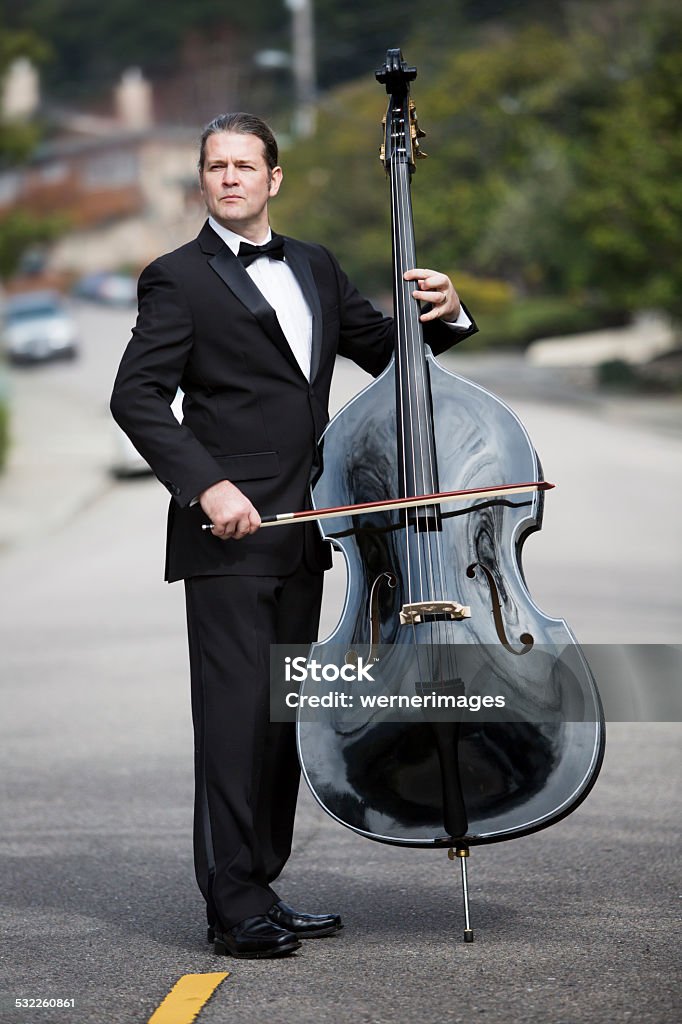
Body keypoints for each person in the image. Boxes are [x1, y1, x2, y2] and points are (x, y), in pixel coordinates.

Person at [110, 112, 477, 960]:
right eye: (215, 165)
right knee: (233, 722)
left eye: (245, 165)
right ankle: (231, 904)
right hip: (229, 537)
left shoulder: (313, 266)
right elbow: (136, 397)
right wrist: (207, 486)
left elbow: (393, 356)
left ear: (274, 178)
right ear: (202, 181)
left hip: (309, 533)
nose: (229, 177)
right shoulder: (176, 278)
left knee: (279, 720)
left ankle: (260, 885)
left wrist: (448, 315)